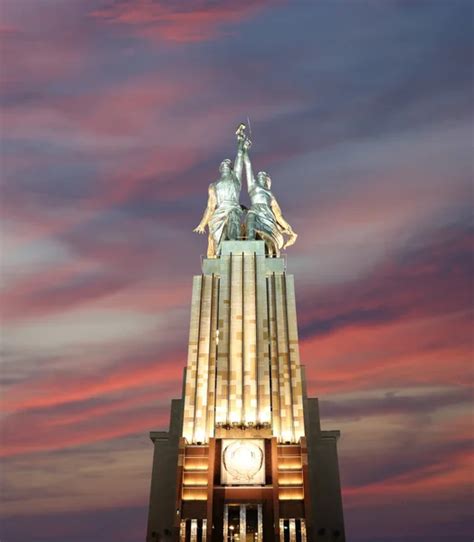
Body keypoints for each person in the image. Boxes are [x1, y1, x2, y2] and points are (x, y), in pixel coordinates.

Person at [193, 137, 246, 258]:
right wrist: (202, 224)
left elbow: (239, 159)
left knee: (233, 225)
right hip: (218, 214)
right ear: (221, 168)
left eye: (228, 164)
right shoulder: (213, 186)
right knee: (218, 239)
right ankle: (220, 255)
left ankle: (233, 251)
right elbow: (210, 207)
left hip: (233, 209)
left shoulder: (236, 178)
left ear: (231, 169)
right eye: (224, 164)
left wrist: (240, 143)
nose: (226, 165)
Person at [243, 147, 297, 257]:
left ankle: (263, 251)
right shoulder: (253, 186)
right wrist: (244, 151)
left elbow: (278, 215)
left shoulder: (270, 195)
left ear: (268, 182)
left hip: (268, 217)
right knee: (250, 220)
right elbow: (248, 167)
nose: (262, 177)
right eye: (260, 176)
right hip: (254, 211)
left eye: (265, 177)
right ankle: (250, 248)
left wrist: (289, 229)